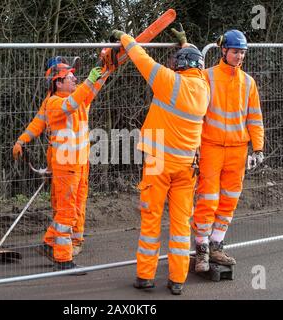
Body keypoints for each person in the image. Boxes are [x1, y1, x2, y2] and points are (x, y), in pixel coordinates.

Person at [111, 27, 210, 295]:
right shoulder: (204, 88)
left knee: (151, 219)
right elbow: (196, 67)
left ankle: (145, 276)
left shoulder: (169, 82)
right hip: (187, 166)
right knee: (180, 225)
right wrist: (187, 44)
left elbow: (141, 58)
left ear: (178, 65)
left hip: (158, 163)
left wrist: (124, 37)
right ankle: (177, 280)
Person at [12, 57, 107, 257]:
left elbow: (97, 81)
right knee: (65, 205)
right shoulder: (55, 102)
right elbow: (40, 122)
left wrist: (108, 62)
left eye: (74, 77)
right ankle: (59, 242)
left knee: (75, 204)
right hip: (65, 162)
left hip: (80, 162)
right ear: (58, 82)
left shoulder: (79, 96)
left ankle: (70, 240)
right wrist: (22, 140)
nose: (75, 79)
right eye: (69, 77)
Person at [192, 30, 264, 272]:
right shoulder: (206, 77)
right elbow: (196, 114)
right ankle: (201, 249)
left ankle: (216, 246)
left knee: (229, 200)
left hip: (238, 151)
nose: (239, 56)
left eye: (242, 52)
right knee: (207, 199)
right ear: (223, 50)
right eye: (235, 51)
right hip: (211, 147)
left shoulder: (248, 82)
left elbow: (255, 118)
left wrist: (259, 147)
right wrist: (194, 147)